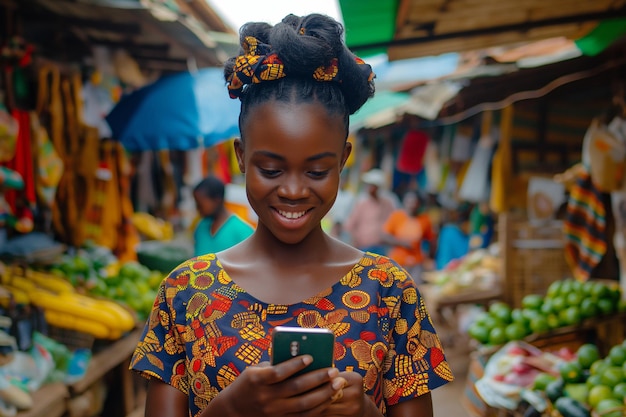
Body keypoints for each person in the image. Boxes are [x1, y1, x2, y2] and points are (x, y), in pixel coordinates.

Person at [129, 13, 453, 417]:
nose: (294, 190)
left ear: (343, 161)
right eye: (271, 169)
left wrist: (366, 413)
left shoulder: (389, 292)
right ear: (242, 158)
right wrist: (229, 411)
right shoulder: (185, 293)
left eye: (317, 171)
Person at [191, 175, 254, 256]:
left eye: (200, 205)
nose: (197, 209)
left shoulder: (243, 233)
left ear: (217, 200)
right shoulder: (201, 227)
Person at [382, 190, 436, 282]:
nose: (411, 205)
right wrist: (401, 243)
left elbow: (432, 240)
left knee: (413, 289)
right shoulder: (397, 216)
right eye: (409, 202)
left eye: (414, 202)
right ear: (404, 202)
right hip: (397, 262)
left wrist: (430, 257)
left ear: (419, 204)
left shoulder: (424, 219)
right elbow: (385, 237)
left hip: (416, 263)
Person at [342, 168, 397, 254]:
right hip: (363, 246)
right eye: (369, 185)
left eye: (372, 185)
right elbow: (350, 225)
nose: (369, 188)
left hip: (381, 247)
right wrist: (356, 239)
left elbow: (394, 222)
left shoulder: (387, 203)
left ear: (378, 187)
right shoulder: (362, 203)